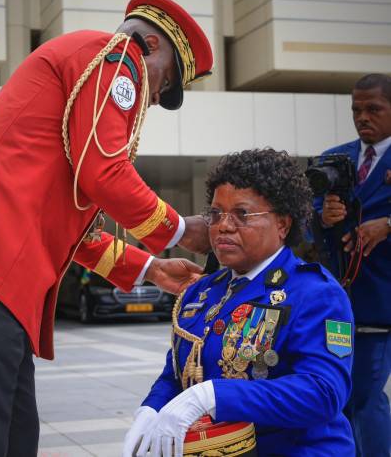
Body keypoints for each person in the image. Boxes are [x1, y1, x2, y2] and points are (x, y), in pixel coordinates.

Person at [0, 0, 214, 456]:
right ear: (149, 46)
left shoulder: (90, 70)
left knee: (13, 439)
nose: (157, 99)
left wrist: (151, 269)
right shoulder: (119, 56)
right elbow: (104, 171)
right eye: (165, 82)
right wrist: (181, 230)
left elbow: (69, 228)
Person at [123, 148, 355, 457]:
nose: (223, 226)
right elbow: (175, 373)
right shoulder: (201, 291)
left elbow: (324, 393)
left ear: (283, 225)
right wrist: (150, 410)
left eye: (242, 214)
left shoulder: (316, 292)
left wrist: (215, 395)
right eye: (215, 214)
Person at [310, 73, 391, 457]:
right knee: (337, 396)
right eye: (357, 110)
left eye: (373, 109)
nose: (363, 117)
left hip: (380, 303)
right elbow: (307, 228)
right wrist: (324, 218)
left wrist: (389, 225)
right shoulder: (334, 159)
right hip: (336, 303)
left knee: (365, 396)